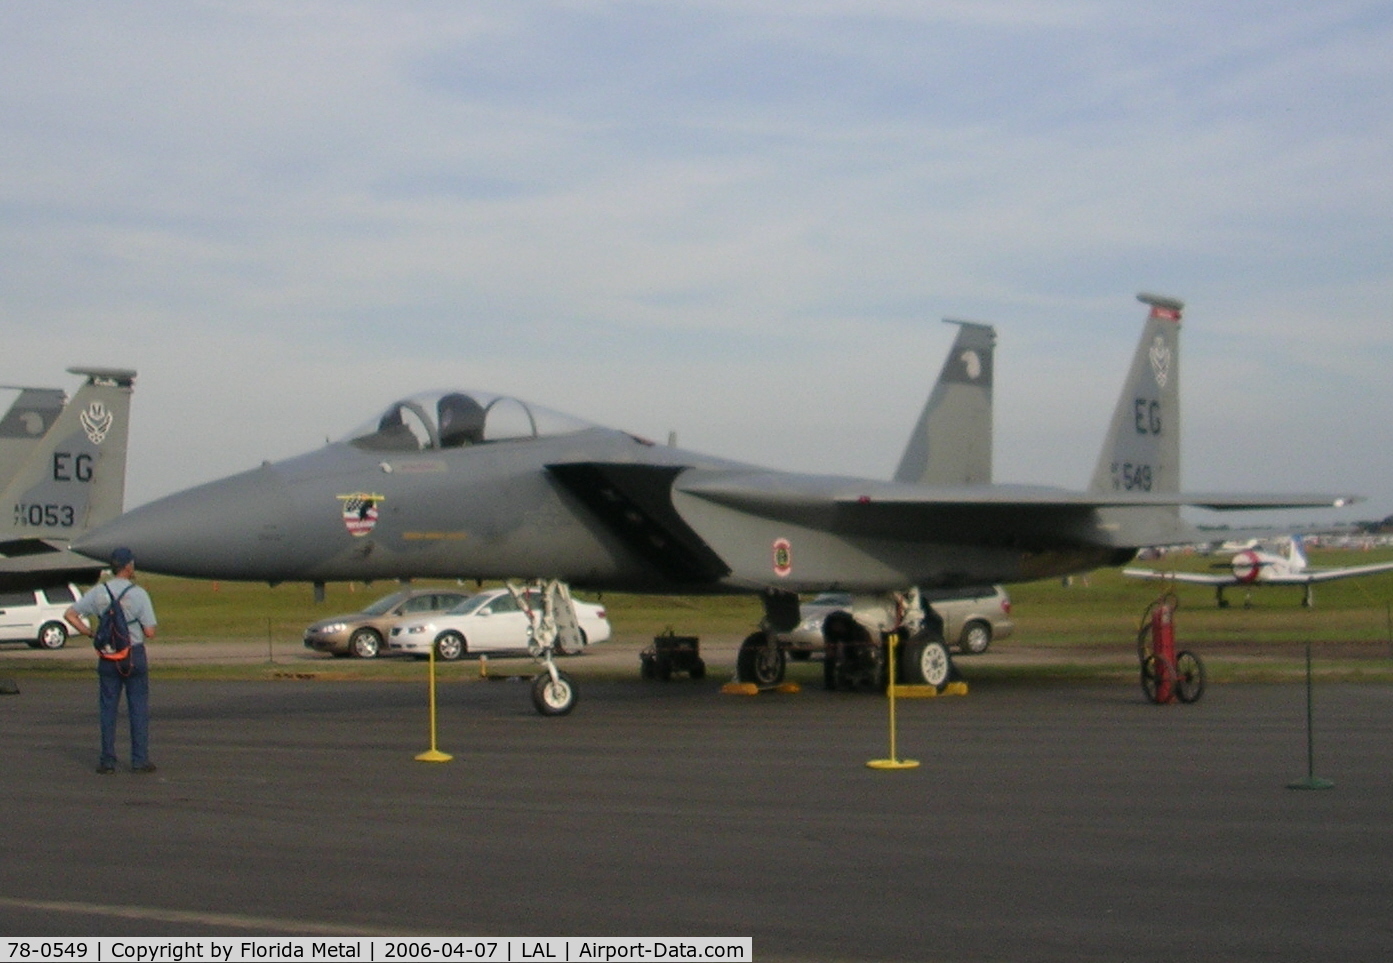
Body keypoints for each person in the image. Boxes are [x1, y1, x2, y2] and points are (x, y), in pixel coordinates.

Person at [65, 547, 158, 774]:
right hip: (133, 654)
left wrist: (90, 633)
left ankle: (107, 760)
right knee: (137, 708)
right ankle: (139, 759)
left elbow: (70, 614)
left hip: (108, 655)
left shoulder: (99, 592)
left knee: (108, 708)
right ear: (129, 567)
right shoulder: (138, 594)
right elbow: (149, 632)